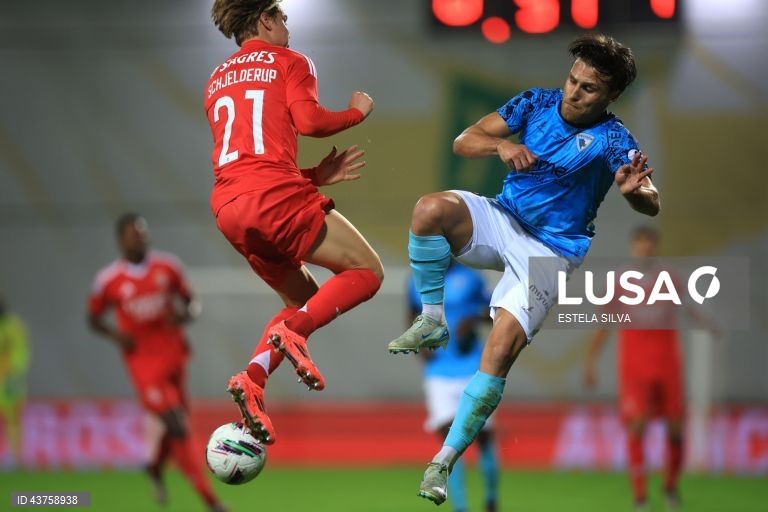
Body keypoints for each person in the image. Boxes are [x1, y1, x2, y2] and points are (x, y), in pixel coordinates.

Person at [387, 33, 660, 505]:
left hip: (552, 251)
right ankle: (432, 320)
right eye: (573, 80)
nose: (574, 93)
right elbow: (463, 140)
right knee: (429, 209)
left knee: (499, 350)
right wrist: (501, 148)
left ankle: (441, 464)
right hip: (504, 219)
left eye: (589, 89)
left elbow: (651, 204)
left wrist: (636, 190)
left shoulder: (616, 140)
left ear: (611, 95)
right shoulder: (535, 103)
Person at [205, 0, 383, 445]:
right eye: (282, 16)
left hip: (229, 208)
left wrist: (314, 177)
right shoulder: (291, 61)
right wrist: (356, 112)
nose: (288, 24)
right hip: (274, 198)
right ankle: (294, 333)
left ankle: (253, 379)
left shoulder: (215, 81)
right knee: (366, 272)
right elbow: (308, 121)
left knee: (302, 298)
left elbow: (247, 162)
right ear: (264, 18)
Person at [87, 213, 226, 512]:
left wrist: (187, 314)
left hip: (175, 357)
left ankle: (153, 466)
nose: (140, 238)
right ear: (121, 240)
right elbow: (93, 318)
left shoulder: (168, 267)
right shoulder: (109, 280)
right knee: (177, 426)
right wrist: (116, 336)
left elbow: (193, 301)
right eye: (133, 234)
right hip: (143, 365)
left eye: (143, 232)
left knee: (173, 425)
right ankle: (211, 501)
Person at [583, 226, 704, 511]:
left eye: (649, 243)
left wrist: (707, 322)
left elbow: (688, 307)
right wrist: (591, 360)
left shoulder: (670, 278)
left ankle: (671, 486)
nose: (644, 248)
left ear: (656, 246)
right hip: (635, 367)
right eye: (640, 243)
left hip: (668, 364)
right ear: (633, 246)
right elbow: (605, 324)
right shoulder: (619, 282)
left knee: (675, 428)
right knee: (637, 427)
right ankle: (640, 497)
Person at [404, 263, 499, 512]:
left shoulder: (472, 278)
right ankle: (461, 508)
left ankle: (491, 500)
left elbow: (497, 312)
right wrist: (419, 346)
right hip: (439, 373)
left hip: (473, 369)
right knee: (448, 444)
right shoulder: (417, 280)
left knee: (483, 439)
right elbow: (410, 312)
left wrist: (474, 319)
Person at [0, 296, 30, 468]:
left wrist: (13, 371)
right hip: (10, 378)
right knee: (13, 419)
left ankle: (15, 456)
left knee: (13, 418)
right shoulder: (15, 326)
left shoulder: (13, 327)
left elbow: (20, 353)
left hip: (10, 379)